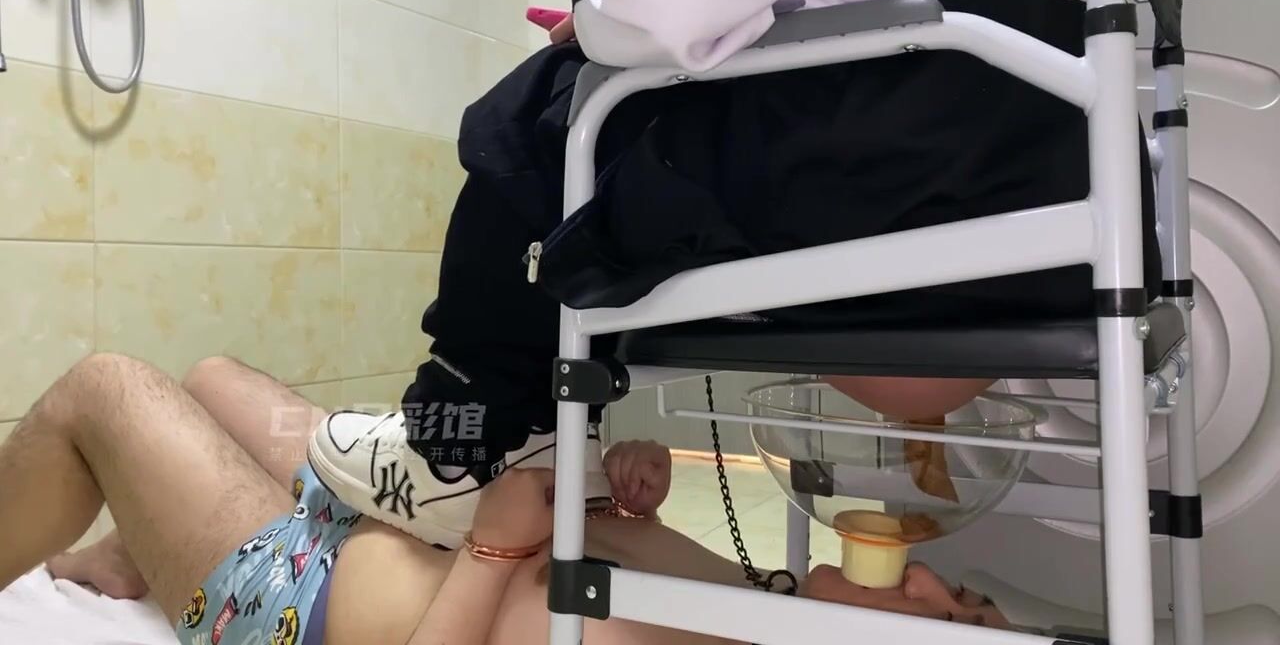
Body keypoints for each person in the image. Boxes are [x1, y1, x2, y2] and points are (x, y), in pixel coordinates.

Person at [305, 0, 1164, 550]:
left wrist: (595, 10)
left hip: (888, 179)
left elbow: (651, 5)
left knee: (541, 107)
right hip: (1059, 232)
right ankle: (547, 441)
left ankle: (461, 442)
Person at [3, 355, 1015, 645]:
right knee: (216, 380)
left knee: (105, 389)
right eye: (966, 596)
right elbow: (583, 580)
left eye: (945, 618)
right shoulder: (769, 607)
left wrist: (491, 550)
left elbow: (518, 594)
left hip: (298, 598)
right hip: (392, 517)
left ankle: (153, 549)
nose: (930, 578)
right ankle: (132, 553)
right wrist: (626, 503)